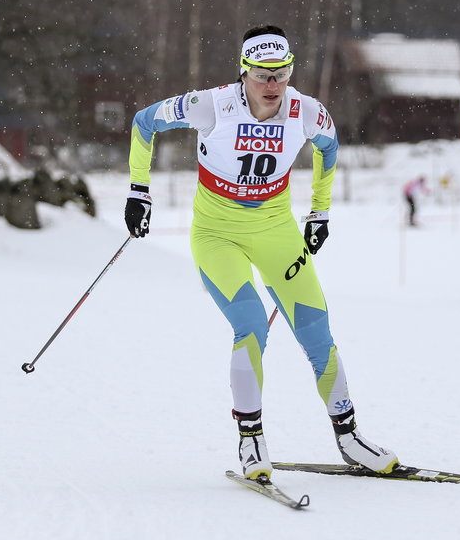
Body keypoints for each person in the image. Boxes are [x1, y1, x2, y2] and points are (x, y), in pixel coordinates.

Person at [124, 25, 397, 482]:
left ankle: (350, 438)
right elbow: (143, 123)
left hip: (276, 231)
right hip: (217, 235)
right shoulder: (210, 105)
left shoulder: (307, 112)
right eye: (263, 74)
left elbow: (328, 150)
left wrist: (320, 213)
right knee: (251, 325)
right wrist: (139, 191)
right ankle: (251, 440)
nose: (273, 85)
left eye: (282, 73)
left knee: (316, 330)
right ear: (245, 72)